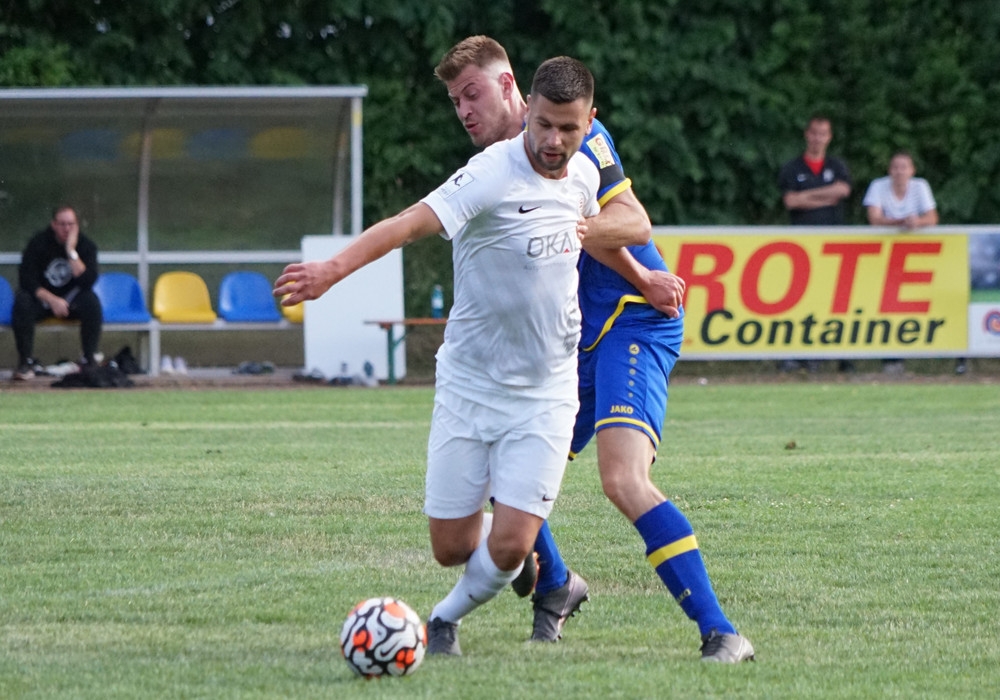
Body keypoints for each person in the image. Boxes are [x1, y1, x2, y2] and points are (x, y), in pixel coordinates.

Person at [435, 36, 753, 662]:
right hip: (570, 341)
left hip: (634, 320)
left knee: (622, 478)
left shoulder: (576, 134)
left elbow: (631, 220)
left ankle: (721, 633)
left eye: (473, 94)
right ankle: (556, 583)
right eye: (455, 101)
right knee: (503, 474)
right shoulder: (496, 166)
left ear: (510, 89)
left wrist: (639, 275)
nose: (465, 110)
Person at [276, 56, 603, 658]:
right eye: (544, 125)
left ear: (589, 122)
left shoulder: (585, 176)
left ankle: (441, 621)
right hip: (470, 383)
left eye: (569, 129)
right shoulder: (490, 173)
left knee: (510, 544)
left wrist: (646, 276)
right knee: (450, 548)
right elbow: (407, 225)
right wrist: (331, 271)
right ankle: (514, 554)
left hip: (547, 390)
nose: (554, 141)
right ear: (528, 110)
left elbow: (596, 233)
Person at [778, 115, 853, 373]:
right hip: (802, 247)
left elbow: (843, 191)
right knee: (801, 300)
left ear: (829, 137)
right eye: (814, 132)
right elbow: (791, 201)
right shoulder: (793, 167)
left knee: (834, 299)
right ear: (807, 134)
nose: (818, 138)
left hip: (833, 246)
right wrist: (825, 196)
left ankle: (842, 357)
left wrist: (806, 197)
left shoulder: (836, 165)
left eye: (823, 133)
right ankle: (799, 354)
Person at [863, 150, 942, 374]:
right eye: (895, 167)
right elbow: (874, 218)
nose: (899, 171)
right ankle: (890, 358)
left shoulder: (920, 186)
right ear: (889, 170)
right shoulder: (878, 186)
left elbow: (932, 218)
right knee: (885, 303)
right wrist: (900, 223)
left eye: (904, 167)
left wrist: (917, 223)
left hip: (916, 257)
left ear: (912, 170)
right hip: (883, 257)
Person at [11, 205, 102, 380]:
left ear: (76, 226)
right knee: (22, 301)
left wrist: (71, 251)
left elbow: (88, 281)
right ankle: (25, 362)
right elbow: (26, 280)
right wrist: (52, 300)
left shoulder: (86, 245)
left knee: (91, 302)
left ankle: (89, 359)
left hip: (71, 301)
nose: (66, 229)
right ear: (54, 224)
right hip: (44, 299)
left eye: (71, 224)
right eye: (62, 224)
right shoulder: (38, 243)